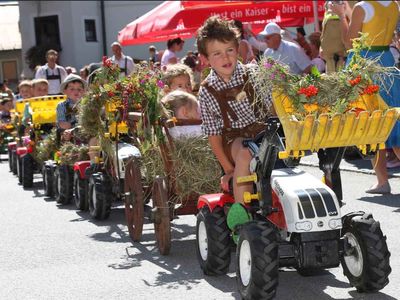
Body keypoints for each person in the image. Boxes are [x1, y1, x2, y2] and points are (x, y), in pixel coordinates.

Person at [196, 16, 274, 228]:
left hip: (263, 129)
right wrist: (228, 170)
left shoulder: (253, 73)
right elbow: (214, 135)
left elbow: (272, 107)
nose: (225, 57)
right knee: (245, 152)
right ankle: (242, 215)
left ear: (238, 48)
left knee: (286, 152)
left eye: (229, 50)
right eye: (217, 53)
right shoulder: (208, 89)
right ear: (206, 59)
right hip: (233, 138)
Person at [331, 0, 400, 194]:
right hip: (386, 63)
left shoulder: (363, 7)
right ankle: (381, 181)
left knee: (371, 125)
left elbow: (349, 42)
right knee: (394, 123)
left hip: (366, 63)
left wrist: (341, 15)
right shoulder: (394, 5)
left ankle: (382, 181)